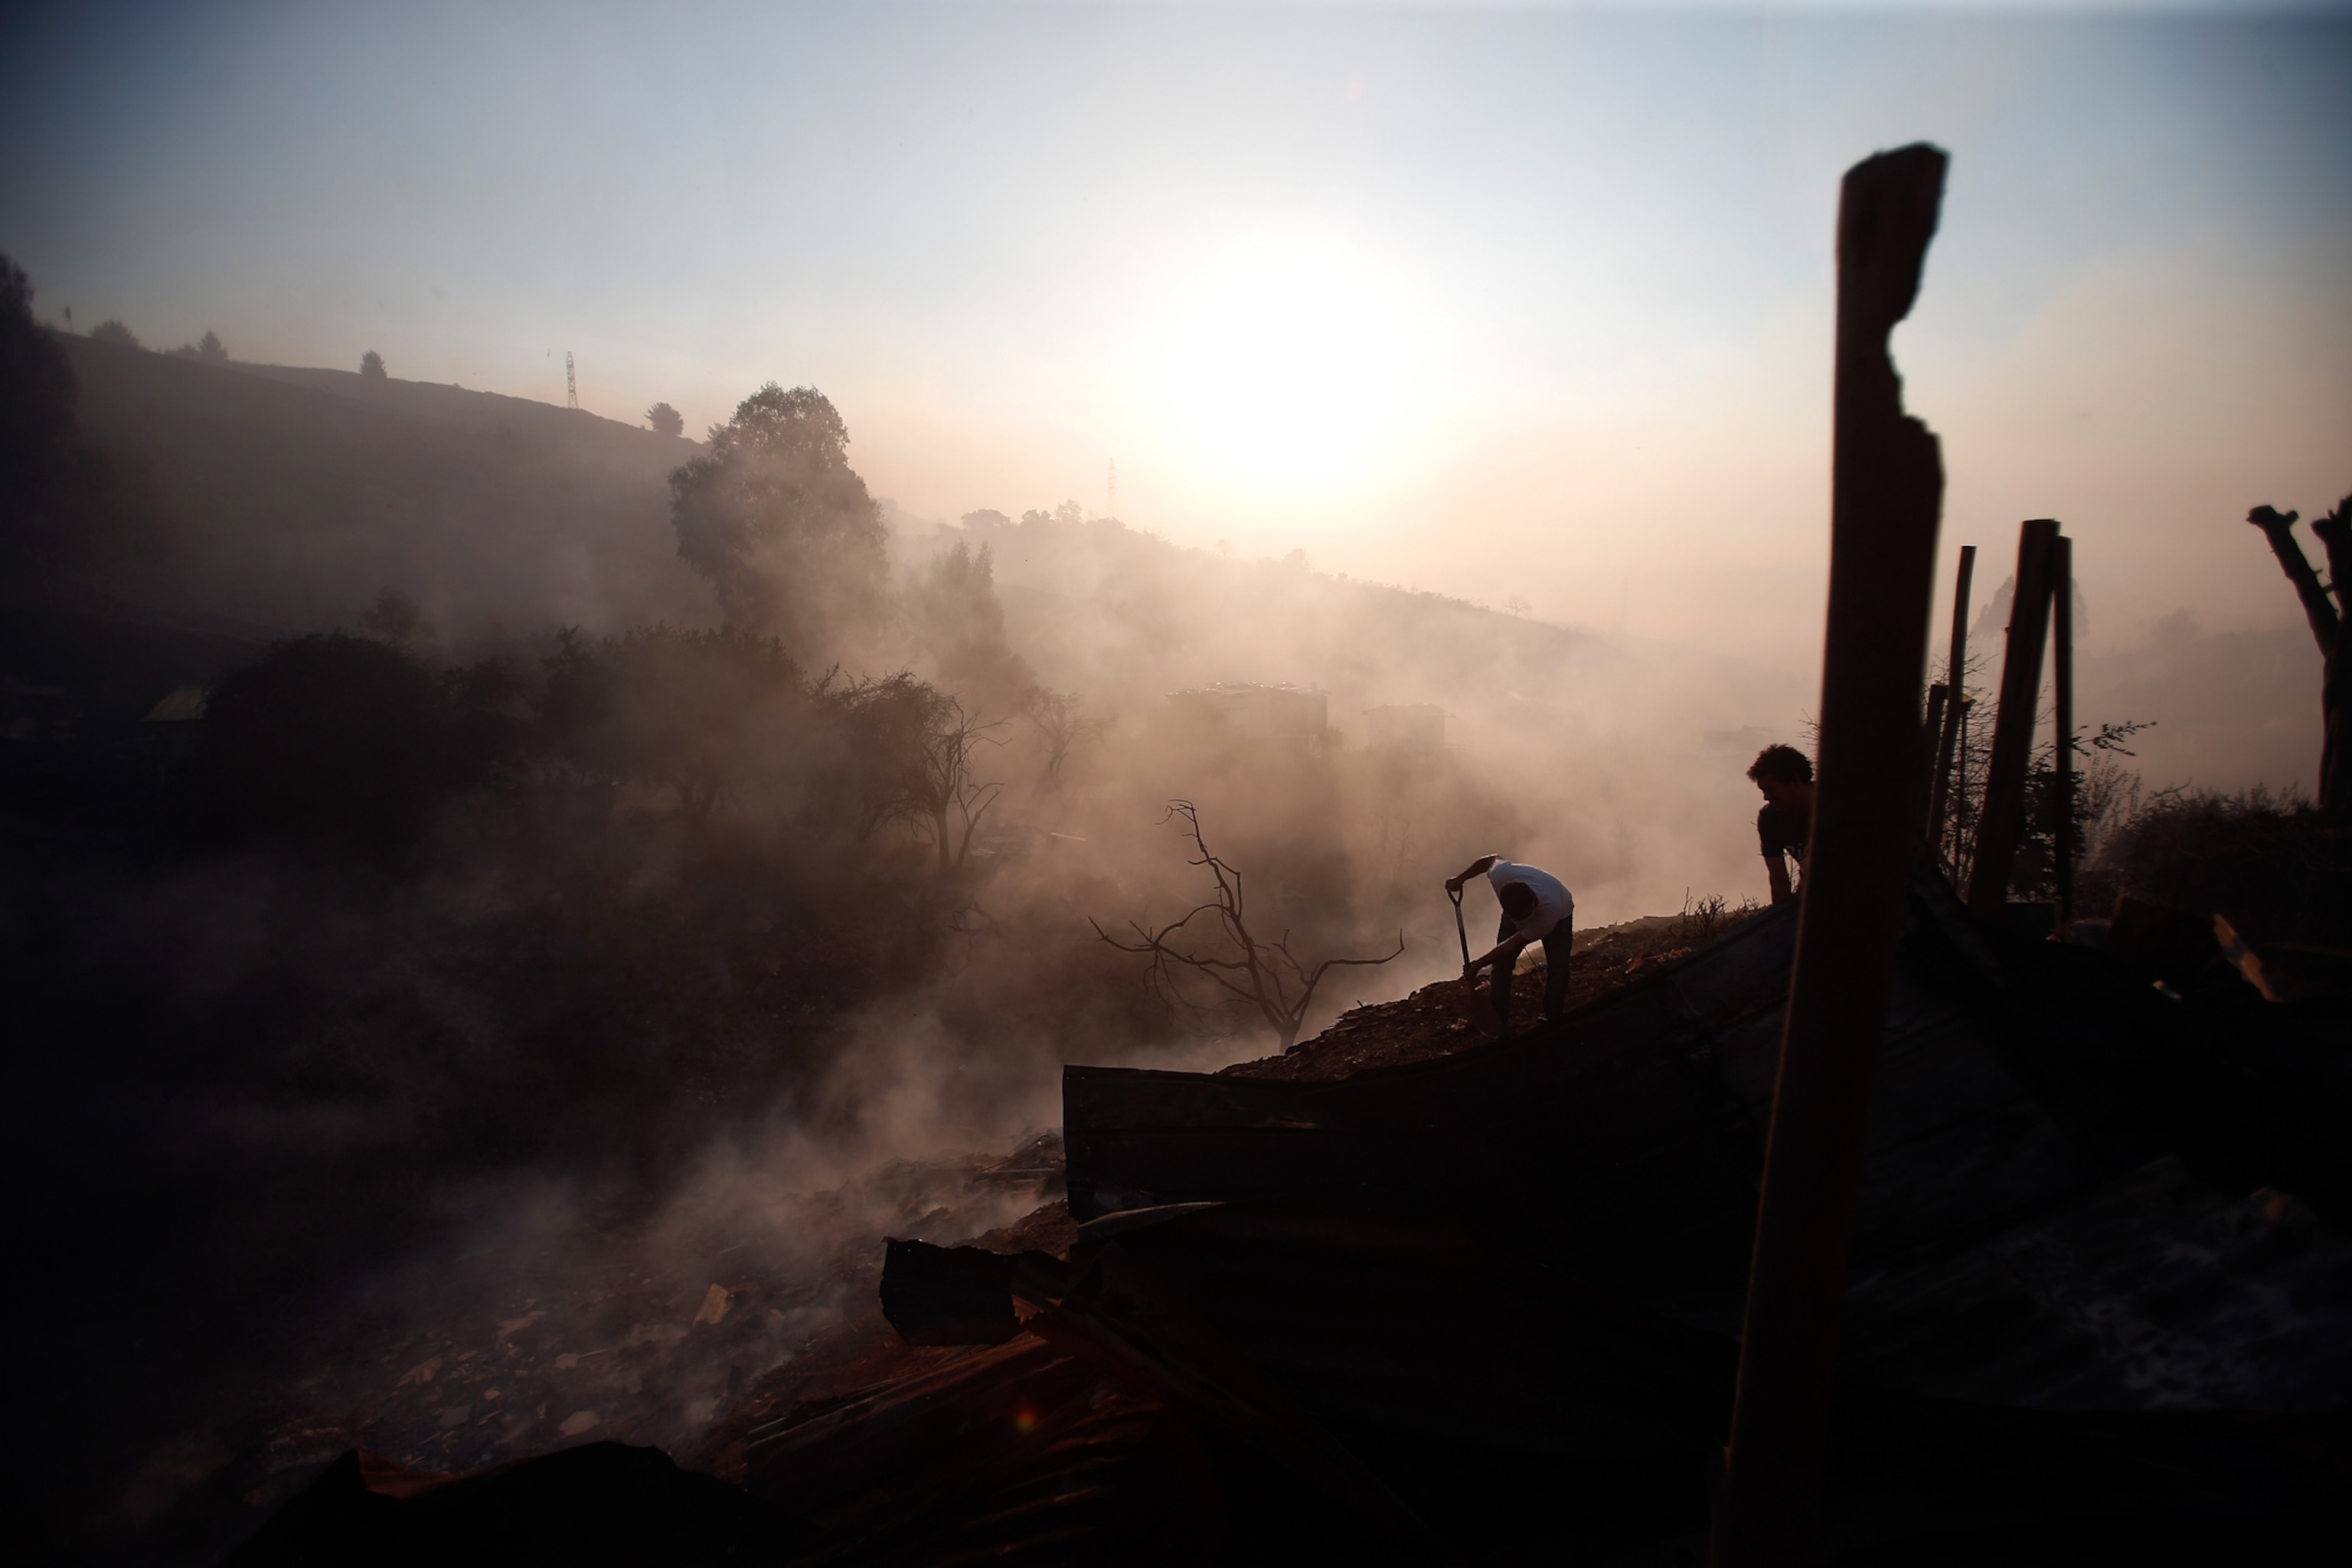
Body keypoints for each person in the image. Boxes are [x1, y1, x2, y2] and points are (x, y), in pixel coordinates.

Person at [1443, 854, 1573, 1035]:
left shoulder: (1550, 914)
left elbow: (1512, 944)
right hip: (1518, 909)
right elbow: (1489, 860)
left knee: (1559, 967)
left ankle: (1552, 1017)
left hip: (1561, 914)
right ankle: (1497, 1022)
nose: (1521, 923)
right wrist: (1460, 879)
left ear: (1533, 906)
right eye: (1516, 919)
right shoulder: (1501, 874)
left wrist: (1478, 964)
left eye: (1524, 919)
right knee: (1501, 966)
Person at [1749, 743, 1815, 906]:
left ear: (1795, 780)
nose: (1766, 797)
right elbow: (1779, 883)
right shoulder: (1771, 819)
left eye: (1772, 789)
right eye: (1763, 790)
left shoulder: (1841, 801)